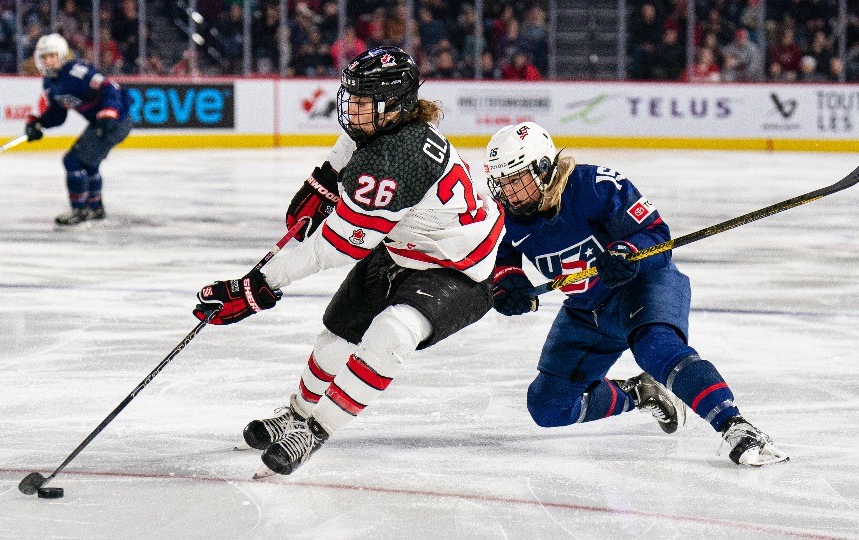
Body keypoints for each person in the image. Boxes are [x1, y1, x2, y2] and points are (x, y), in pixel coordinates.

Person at [194, 46, 504, 477]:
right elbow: (353, 141)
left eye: (363, 101)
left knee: (392, 331)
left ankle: (316, 430)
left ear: (394, 106)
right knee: (338, 334)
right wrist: (325, 178)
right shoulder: (390, 128)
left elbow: (335, 247)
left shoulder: (392, 162)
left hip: (459, 269)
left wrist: (259, 285)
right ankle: (298, 413)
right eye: (352, 97)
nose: (351, 109)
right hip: (402, 246)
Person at [484, 122, 789, 467]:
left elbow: (657, 235)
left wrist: (626, 252)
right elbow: (499, 253)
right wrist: (507, 281)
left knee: (657, 349)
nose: (508, 193)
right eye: (503, 183)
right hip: (586, 308)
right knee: (548, 406)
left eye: (516, 180)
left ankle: (735, 426)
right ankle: (638, 393)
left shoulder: (594, 186)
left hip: (643, 285)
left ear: (543, 169)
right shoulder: (506, 214)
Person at [24, 33, 132, 226]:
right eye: (44, 57)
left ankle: (80, 210)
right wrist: (40, 123)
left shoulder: (77, 71)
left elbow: (110, 88)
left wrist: (109, 113)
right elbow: (58, 113)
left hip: (116, 121)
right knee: (89, 164)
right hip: (101, 122)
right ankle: (95, 208)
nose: (48, 61)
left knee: (72, 161)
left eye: (52, 56)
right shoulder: (50, 83)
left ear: (63, 54)